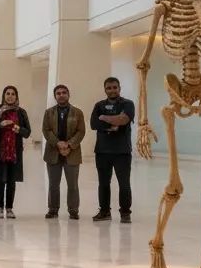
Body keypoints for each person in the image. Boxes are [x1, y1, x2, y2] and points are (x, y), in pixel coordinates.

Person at [90, 77, 135, 223]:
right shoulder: (99, 105)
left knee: (124, 184)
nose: (112, 90)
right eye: (109, 88)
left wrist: (104, 118)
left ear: (119, 88)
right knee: (103, 183)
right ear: (105, 90)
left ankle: (125, 213)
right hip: (102, 151)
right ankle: (104, 212)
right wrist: (113, 124)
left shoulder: (128, 104)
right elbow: (93, 123)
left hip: (122, 152)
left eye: (115, 87)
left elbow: (124, 120)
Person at [42, 84, 85, 220]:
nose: (61, 95)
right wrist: (58, 143)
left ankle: (73, 210)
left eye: (64, 92)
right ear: (55, 96)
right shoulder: (49, 112)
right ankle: (53, 209)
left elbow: (81, 131)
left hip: (72, 153)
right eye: (58, 93)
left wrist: (69, 144)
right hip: (53, 152)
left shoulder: (77, 112)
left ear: (68, 94)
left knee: (72, 184)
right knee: (53, 184)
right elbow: (46, 130)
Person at [0, 85, 31, 219]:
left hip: (14, 152)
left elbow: (27, 132)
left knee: (11, 180)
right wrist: (1, 124)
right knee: (0, 180)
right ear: (3, 95)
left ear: (16, 97)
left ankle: (10, 208)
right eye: (8, 93)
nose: (10, 96)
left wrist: (18, 129)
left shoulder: (21, 112)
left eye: (13, 94)